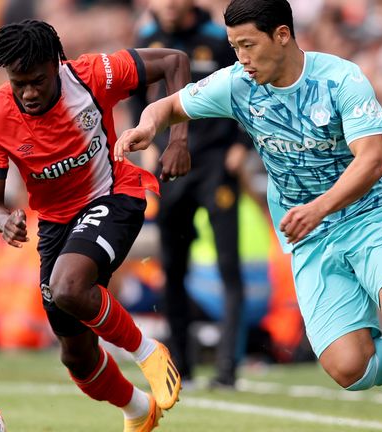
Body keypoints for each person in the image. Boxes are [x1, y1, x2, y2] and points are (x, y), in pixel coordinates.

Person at [114, 1, 382, 430]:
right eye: (235, 47)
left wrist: (318, 207)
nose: (242, 58)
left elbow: (371, 162)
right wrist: (146, 128)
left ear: (282, 35)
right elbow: (168, 106)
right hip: (310, 237)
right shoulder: (238, 83)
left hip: (368, 218)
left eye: (249, 45)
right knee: (350, 369)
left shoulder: (340, 78)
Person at [0, 19, 190, 432]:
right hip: (56, 225)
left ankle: (147, 350)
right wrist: (5, 222)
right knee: (76, 356)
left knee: (69, 286)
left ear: (57, 65)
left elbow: (174, 62)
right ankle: (138, 409)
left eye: (37, 81)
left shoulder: (92, 76)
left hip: (114, 194)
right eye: (20, 83)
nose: (29, 92)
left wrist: (177, 140)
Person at [132, 0, 251, 389]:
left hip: (216, 164)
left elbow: (247, 84)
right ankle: (181, 364)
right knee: (173, 269)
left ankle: (228, 369)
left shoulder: (218, 38)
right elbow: (137, 95)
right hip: (170, 166)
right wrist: (147, 142)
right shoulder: (149, 38)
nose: (163, 6)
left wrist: (241, 143)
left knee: (229, 268)